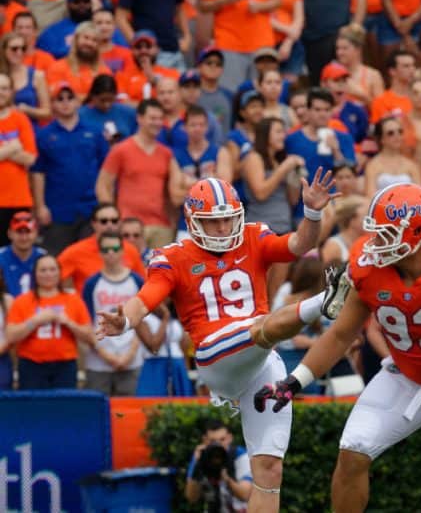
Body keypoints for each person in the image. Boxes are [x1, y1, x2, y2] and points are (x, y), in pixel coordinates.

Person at [254, 182, 421, 509]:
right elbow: (341, 334)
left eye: (386, 234)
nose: (375, 242)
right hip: (405, 376)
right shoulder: (368, 266)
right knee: (353, 450)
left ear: (417, 232)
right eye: (375, 232)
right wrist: (293, 381)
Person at [96, 172, 340, 511]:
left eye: (228, 219)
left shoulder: (254, 236)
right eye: (214, 222)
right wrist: (125, 320)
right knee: (259, 327)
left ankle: (327, 300)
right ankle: (326, 301)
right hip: (214, 353)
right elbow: (146, 298)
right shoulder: (174, 256)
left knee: (269, 470)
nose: (224, 228)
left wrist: (312, 213)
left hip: (260, 358)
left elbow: (299, 244)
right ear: (193, 222)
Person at [30, 82, 109, 254]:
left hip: (90, 207)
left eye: (69, 98)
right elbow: (38, 172)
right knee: (56, 259)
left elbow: (107, 169)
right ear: (53, 104)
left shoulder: (95, 132)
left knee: (89, 258)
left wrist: (106, 202)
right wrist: (40, 206)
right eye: (60, 99)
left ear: (77, 102)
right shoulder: (44, 135)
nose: (65, 102)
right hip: (57, 209)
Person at [96, 99, 182, 249]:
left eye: (160, 118)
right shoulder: (121, 150)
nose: (157, 123)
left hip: (160, 226)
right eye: (152, 118)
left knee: (161, 270)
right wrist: (112, 219)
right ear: (140, 118)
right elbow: (103, 185)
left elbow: (175, 188)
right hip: (129, 225)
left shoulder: (166, 154)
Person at [5, 255, 93, 389]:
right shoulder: (22, 301)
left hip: (65, 365)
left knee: (63, 406)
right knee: (34, 407)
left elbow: (89, 335)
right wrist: (34, 321)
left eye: (52, 270)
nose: (48, 274)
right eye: (43, 270)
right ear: (35, 274)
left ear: (59, 272)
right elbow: (10, 335)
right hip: (31, 365)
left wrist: (69, 323)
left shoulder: (73, 300)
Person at [81, 232, 143, 396]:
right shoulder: (92, 284)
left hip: (131, 359)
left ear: (123, 250)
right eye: (106, 249)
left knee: (128, 413)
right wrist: (106, 355)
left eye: (115, 248)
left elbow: (143, 321)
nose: (110, 253)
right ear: (99, 252)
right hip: (98, 362)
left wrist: (129, 355)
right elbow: (87, 323)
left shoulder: (136, 281)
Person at [184, 420, 254, 510]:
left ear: (230, 438)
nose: (218, 445)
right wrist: (198, 466)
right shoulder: (201, 457)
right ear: (205, 440)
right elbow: (191, 498)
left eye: (222, 439)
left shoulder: (240, 456)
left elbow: (245, 495)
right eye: (212, 441)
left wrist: (227, 479)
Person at [0, 73, 37, 241]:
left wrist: (3, 151)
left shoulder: (20, 119)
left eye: (4, 88)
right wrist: (13, 147)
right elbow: (21, 153)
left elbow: (30, 158)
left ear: (11, 92)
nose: (1, 92)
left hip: (18, 199)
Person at [0, 32, 51, 126]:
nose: (19, 53)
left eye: (23, 49)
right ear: (4, 50)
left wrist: (28, 110)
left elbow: (47, 112)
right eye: (14, 49)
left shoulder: (37, 75)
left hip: (30, 128)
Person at [0, 213, 46, 297]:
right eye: (19, 232)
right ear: (9, 233)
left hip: (37, 307)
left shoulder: (44, 257)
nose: (24, 238)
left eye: (28, 232)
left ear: (36, 234)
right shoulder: (1, 257)